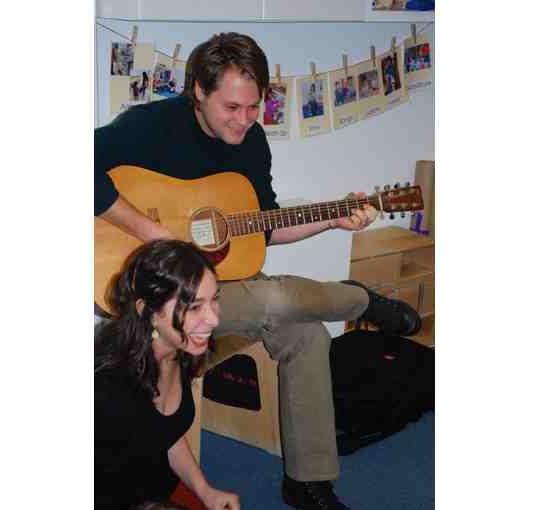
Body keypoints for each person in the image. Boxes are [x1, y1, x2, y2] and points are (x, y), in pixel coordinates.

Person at [95, 32, 420, 510]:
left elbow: (265, 227)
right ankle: (360, 300)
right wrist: (152, 233)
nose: (245, 120)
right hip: (164, 304)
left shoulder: (251, 143)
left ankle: (308, 482)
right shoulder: (151, 125)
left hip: (226, 287)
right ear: (199, 91)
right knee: (276, 299)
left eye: (254, 107)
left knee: (307, 332)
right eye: (232, 107)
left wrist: (333, 219)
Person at [95, 239, 240, 510]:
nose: (214, 319)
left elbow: (165, 432)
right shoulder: (105, 386)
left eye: (214, 300)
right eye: (194, 307)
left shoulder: (179, 350)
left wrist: (205, 491)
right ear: (148, 313)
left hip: (156, 496)